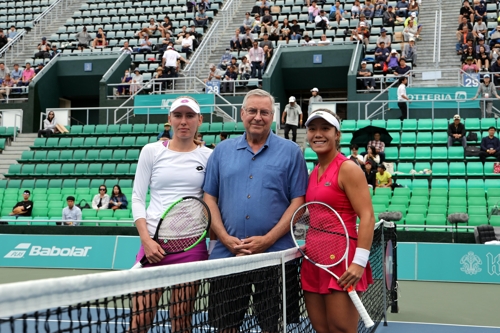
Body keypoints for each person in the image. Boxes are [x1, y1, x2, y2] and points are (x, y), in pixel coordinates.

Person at [203, 89, 308, 331]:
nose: (257, 117)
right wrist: (225, 239)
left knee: (274, 328)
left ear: (273, 116)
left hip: (276, 258)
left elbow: (298, 202)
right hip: (228, 257)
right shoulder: (221, 151)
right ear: (242, 114)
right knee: (224, 327)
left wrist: (268, 240)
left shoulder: (291, 152)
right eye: (252, 111)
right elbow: (209, 198)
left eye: (264, 112)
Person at [131, 96, 212, 333]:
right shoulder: (151, 151)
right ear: (170, 120)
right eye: (178, 115)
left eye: (189, 116)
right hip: (152, 246)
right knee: (140, 321)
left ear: (200, 120)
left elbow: (212, 202)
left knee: (181, 322)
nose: (183, 121)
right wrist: (146, 241)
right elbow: (137, 197)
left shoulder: (209, 157)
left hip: (191, 246)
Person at [301, 108, 374, 333]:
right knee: (321, 330)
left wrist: (359, 262)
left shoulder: (348, 168)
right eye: (312, 129)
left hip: (342, 261)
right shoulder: (314, 172)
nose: (318, 134)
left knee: (341, 330)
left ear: (337, 134)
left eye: (325, 128)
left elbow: (368, 216)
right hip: (314, 259)